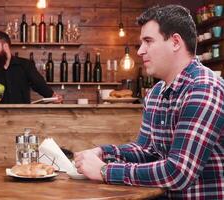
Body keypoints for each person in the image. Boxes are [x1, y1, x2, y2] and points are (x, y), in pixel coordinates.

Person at [75, 5, 224, 199]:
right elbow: (147, 150)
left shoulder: (204, 88)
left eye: (148, 41)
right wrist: (104, 152)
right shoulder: (156, 92)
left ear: (175, 42)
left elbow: (178, 172)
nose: (140, 51)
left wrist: (105, 171)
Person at [0, 31, 62, 104]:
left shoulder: (25, 65)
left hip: (22, 118)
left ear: (5, 46)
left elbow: (40, 85)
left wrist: (53, 97)